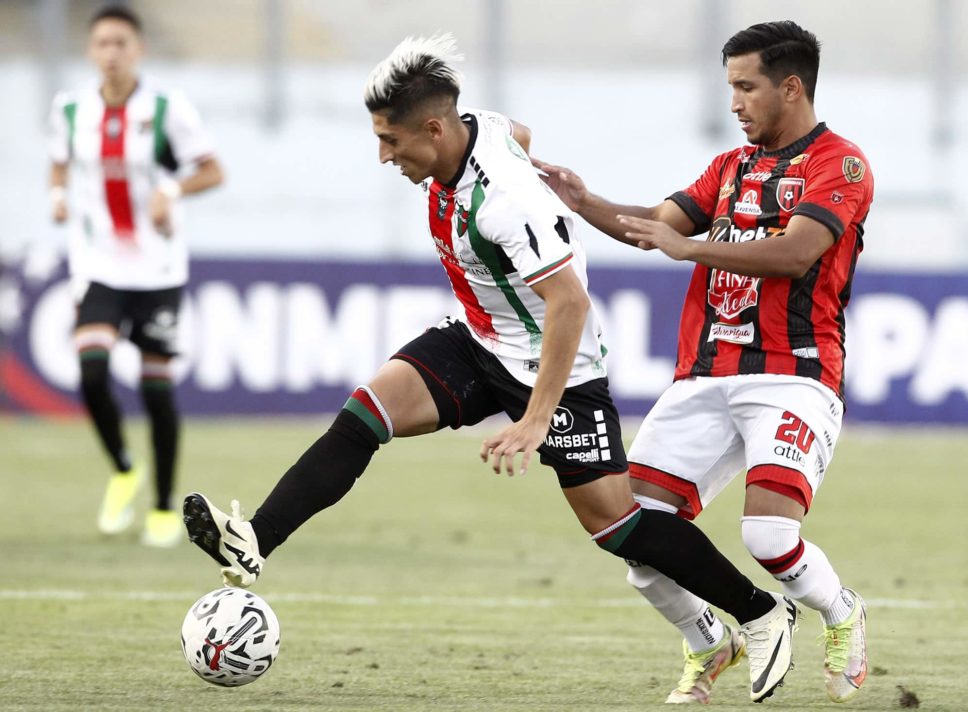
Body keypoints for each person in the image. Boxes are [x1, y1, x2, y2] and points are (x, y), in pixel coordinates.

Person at [182, 34, 798, 703]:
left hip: (555, 363)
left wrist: (536, 418)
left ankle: (760, 614)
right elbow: (514, 132)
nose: (383, 154)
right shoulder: (488, 131)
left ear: (435, 128)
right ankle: (254, 540)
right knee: (367, 412)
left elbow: (569, 303)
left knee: (616, 525)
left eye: (391, 139)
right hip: (480, 341)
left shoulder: (506, 201)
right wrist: (545, 168)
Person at [533, 20, 872, 705]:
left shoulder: (841, 164)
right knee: (636, 537)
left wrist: (686, 250)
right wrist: (585, 201)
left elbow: (797, 252)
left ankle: (841, 612)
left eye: (747, 87)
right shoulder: (729, 169)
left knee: (770, 534)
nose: (736, 102)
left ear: (791, 86)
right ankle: (709, 641)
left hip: (794, 375)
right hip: (706, 376)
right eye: (731, 88)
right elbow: (656, 223)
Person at [47, 5, 223, 546]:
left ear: (138, 50)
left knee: (155, 391)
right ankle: (125, 468)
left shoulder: (167, 108)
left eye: (122, 43)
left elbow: (212, 170)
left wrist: (170, 191)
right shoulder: (71, 109)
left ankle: (165, 507)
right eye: (103, 43)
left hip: (157, 267)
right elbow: (59, 161)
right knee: (93, 373)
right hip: (98, 264)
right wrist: (57, 195)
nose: (112, 53)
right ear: (90, 51)